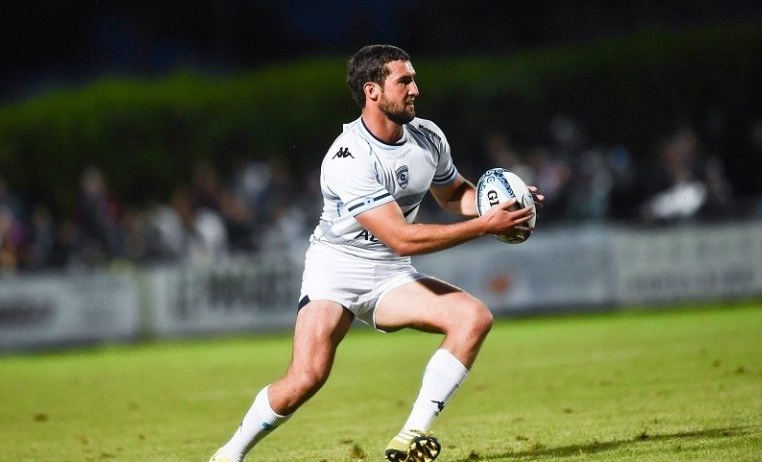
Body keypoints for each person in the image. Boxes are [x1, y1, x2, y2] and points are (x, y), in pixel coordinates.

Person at [209, 44, 541, 462]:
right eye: (404, 81)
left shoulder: (428, 136)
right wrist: (484, 226)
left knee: (473, 318)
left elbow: (455, 194)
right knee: (307, 376)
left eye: (414, 78)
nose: (415, 89)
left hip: (389, 273)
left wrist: (502, 204)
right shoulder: (348, 157)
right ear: (372, 91)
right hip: (336, 271)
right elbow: (401, 237)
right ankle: (229, 454)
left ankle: (411, 436)